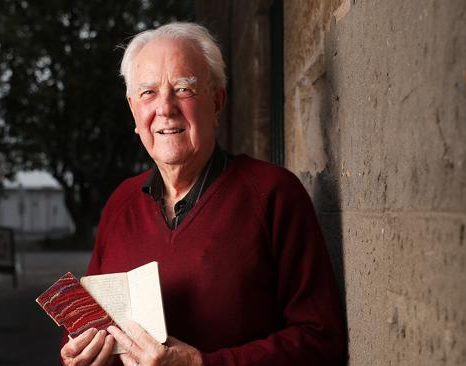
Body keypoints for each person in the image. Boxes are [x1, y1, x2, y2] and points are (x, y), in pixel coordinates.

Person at [60, 22, 346, 365]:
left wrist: (201, 364)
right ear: (134, 111)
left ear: (217, 102)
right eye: (148, 93)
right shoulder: (120, 202)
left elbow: (321, 341)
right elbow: (85, 326)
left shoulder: (274, 194)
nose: (165, 108)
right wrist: (75, 354)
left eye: (183, 89)